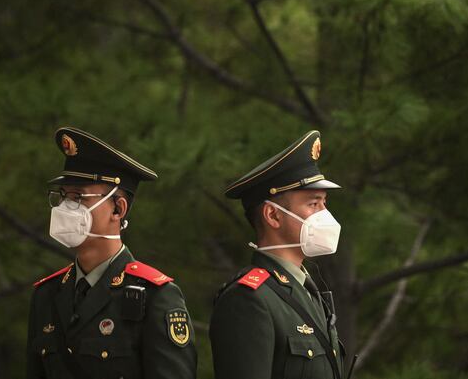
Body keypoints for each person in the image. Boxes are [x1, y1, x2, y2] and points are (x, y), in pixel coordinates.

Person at [27, 126, 197, 379]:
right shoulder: (47, 294)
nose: (65, 207)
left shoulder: (156, 296)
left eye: (78, 197)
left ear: (118, 209)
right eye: (62, 196)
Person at [210, 130, 346, 379]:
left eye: (324, 203)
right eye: (313, 204)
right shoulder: (249, 299)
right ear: (273, 216)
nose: (324, 214)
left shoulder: (308, 291)